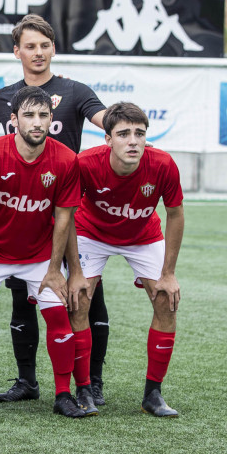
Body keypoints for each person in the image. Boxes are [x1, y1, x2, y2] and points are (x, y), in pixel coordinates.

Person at [0, 14, 110, 408]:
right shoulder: (6, 96)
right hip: (15, 220)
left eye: (44, 45)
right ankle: (27, 381)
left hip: (64, 218)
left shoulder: (75, 91)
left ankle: (89, 383)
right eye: (30, 45)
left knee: (83, 298)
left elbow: (106, 119)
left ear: (53, 48)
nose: (38, 52)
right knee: (19, 301)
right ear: (17, 51)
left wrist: (126, 127)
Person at [0, 86, 86, 419]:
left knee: (58, 317)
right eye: (28, 115)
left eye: (43, 115)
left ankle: (63, 394)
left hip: (41, 255)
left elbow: (63, 220)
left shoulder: (66, 160)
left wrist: (56, 270)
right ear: (13, 120)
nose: (37, 122)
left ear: (51, 119)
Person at [70, 102, 184, 416]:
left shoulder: (162, 164)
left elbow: (175, 214)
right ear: (108, 139)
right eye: (123, 134)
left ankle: (153, 394)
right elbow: (65, 214)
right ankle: (83, 389)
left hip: (142, 236)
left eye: (139, 133)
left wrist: (169, 273)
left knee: (167, 299)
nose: (132, 140)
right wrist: (72, 270)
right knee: (78, 300)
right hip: (91, 232)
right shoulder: (86, 163)